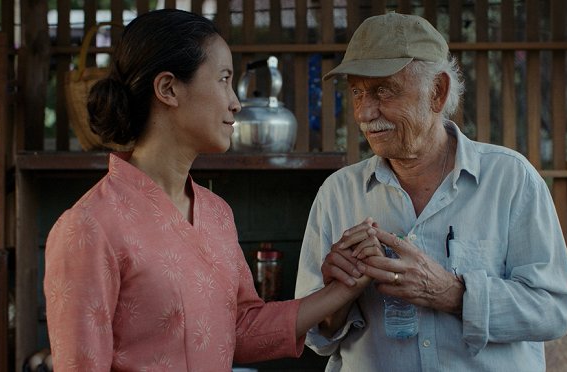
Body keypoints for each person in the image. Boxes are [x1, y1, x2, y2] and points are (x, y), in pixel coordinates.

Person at [43, 9, 377, 371]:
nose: (235, 101)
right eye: (223, 79)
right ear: (168, 88)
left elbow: (240, 330)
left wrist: (340, 291)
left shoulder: (216, 212)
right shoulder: (89, 227)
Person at [295, 12, 567, 371]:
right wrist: (336, 297)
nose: (365, 112)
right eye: (357, 92)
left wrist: (451, 292)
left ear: (437, 91)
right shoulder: (338, 193)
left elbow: (553, 310)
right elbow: (316, 339)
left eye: (383, 90)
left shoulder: (510, 180)